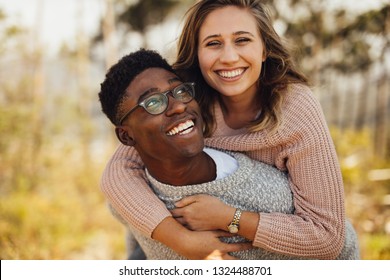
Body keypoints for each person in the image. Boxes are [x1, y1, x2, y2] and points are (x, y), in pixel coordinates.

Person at [100, 0, 355, 259]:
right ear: (197, 54)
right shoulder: (185, 98)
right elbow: (118, 172)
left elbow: (326, 236)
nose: (230, 57)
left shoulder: (294, 106)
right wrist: (181, 240)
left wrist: (229, 218)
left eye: (242, 40)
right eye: (213, 43)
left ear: (264, 49)